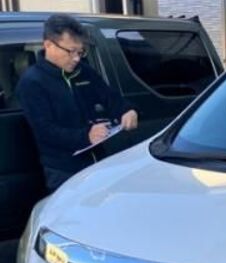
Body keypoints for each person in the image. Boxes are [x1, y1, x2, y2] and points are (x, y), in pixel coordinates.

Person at [16, 14, 138, 192]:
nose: (76, 58)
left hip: (98, 161)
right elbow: (45, 131)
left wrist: (127, 110)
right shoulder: (32, 82)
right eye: (70, 51)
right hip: (63, 169)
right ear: (49, 45)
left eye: (80, 52)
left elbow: (110, 98)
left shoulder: (83, 72)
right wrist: (85, 136)